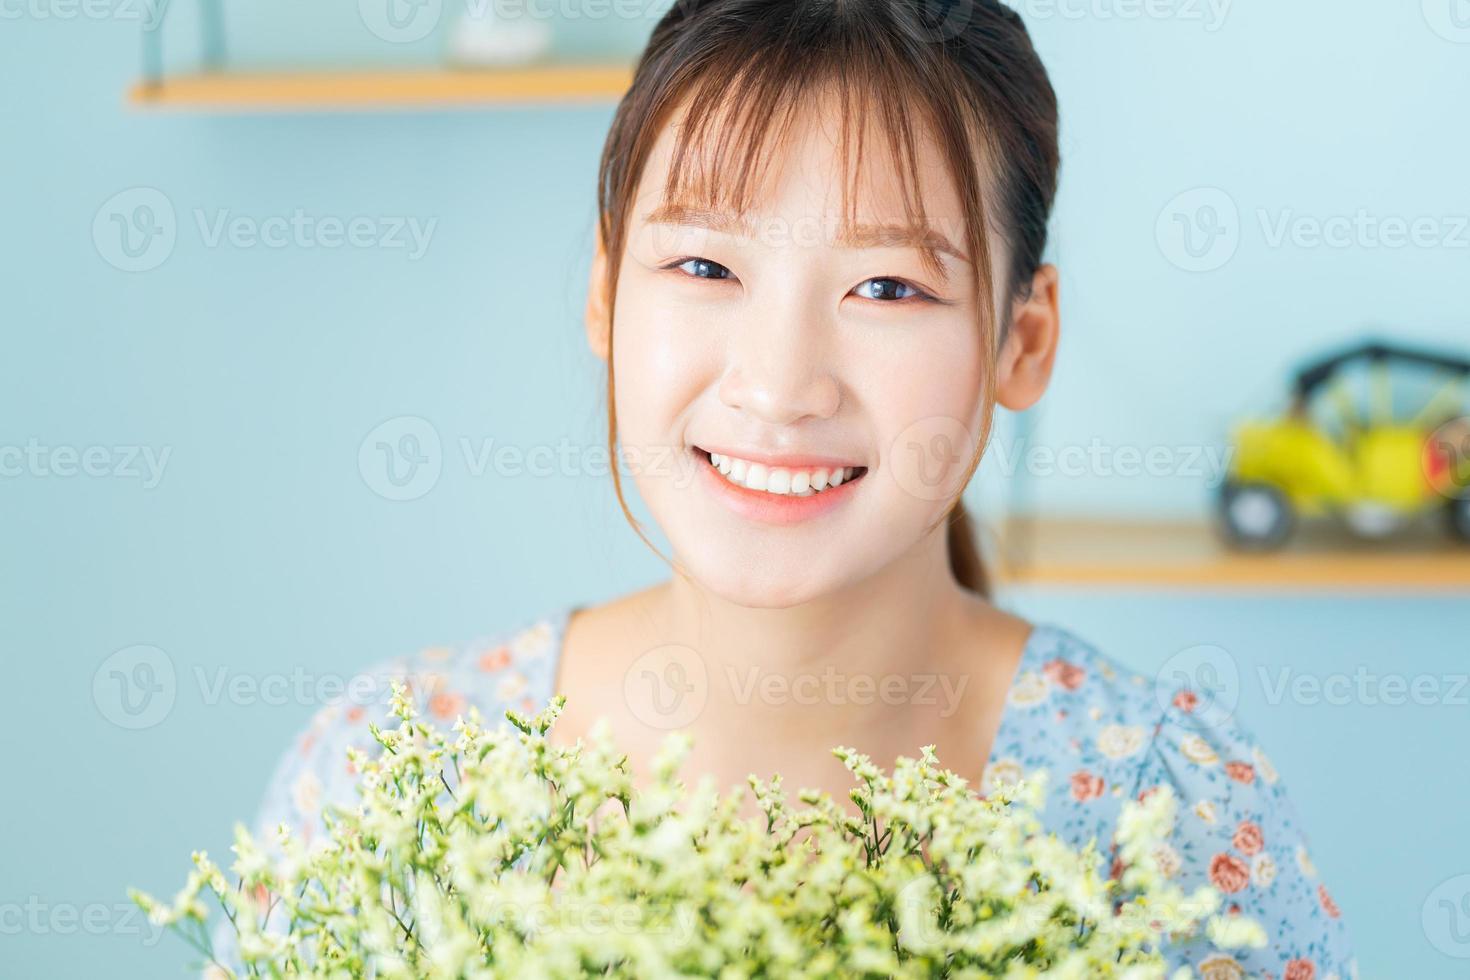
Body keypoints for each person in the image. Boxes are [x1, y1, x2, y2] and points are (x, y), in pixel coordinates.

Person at [230, 2, 1356, 975]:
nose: (778, 386)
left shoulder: (1163, 812)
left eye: (887, 285)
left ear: (1024, 336)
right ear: (605, 290)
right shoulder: (390, 775)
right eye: (706, 267)